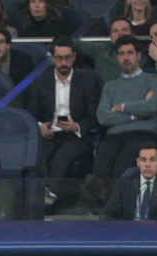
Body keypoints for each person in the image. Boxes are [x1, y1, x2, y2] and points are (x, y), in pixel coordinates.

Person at [27, 35, 100, 200]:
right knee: (39, 153)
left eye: (67, 58)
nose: (64, 63)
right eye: (59, 58)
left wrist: (77, 127)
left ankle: (48, 194)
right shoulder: (41, 81)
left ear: (74, 57)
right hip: (51, 134)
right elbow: (32, 112)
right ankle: (33, 195)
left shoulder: (87, 80)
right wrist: (40, 126)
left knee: (64, 153)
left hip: (78, 136)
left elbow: (95, 116)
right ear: (52, 58)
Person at [95, 35, 157, 180]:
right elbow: (103, 117)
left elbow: (152, 106)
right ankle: (103, 199)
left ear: (138, 56)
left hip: (144, 134)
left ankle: (113, 199)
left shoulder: (153, 80)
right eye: (122, 54)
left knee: (123, 162)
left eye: (130, 53)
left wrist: (122, 107)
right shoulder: (110, 86)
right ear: (117, 58)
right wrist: (136, 114)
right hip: (115, 136)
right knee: (103, 157)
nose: (126, 58)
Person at [103, 141, 157, 220]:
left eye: (152, 160)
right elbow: (108, 213)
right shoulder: (125, 183)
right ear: (138, 162)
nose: (147, 165)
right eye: (143, 160)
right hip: (129, 229)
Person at [74, 17, 137, 84]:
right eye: (115, 31)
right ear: (110, 36)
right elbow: (73, 43)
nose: (120, 34)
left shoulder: (141, 59)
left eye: (124, 30)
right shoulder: (100, 50)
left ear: (132, 34)